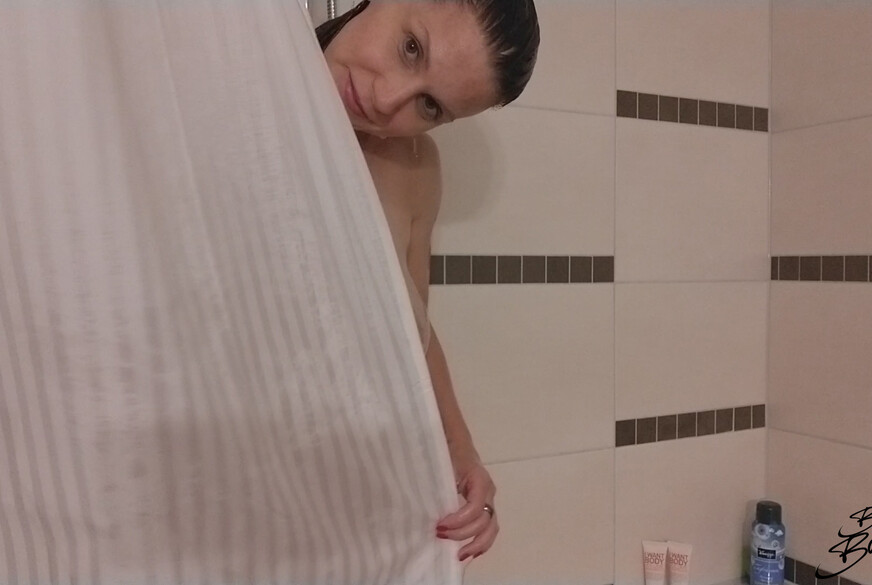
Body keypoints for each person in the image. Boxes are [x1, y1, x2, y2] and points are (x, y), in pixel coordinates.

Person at [316, 0, 539, 563]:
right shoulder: (238, 72)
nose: (388, 99)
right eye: (411, 47)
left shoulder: (414, 167)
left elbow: (412, 328)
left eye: (430, 106)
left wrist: (461, 454)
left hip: (321, 501)